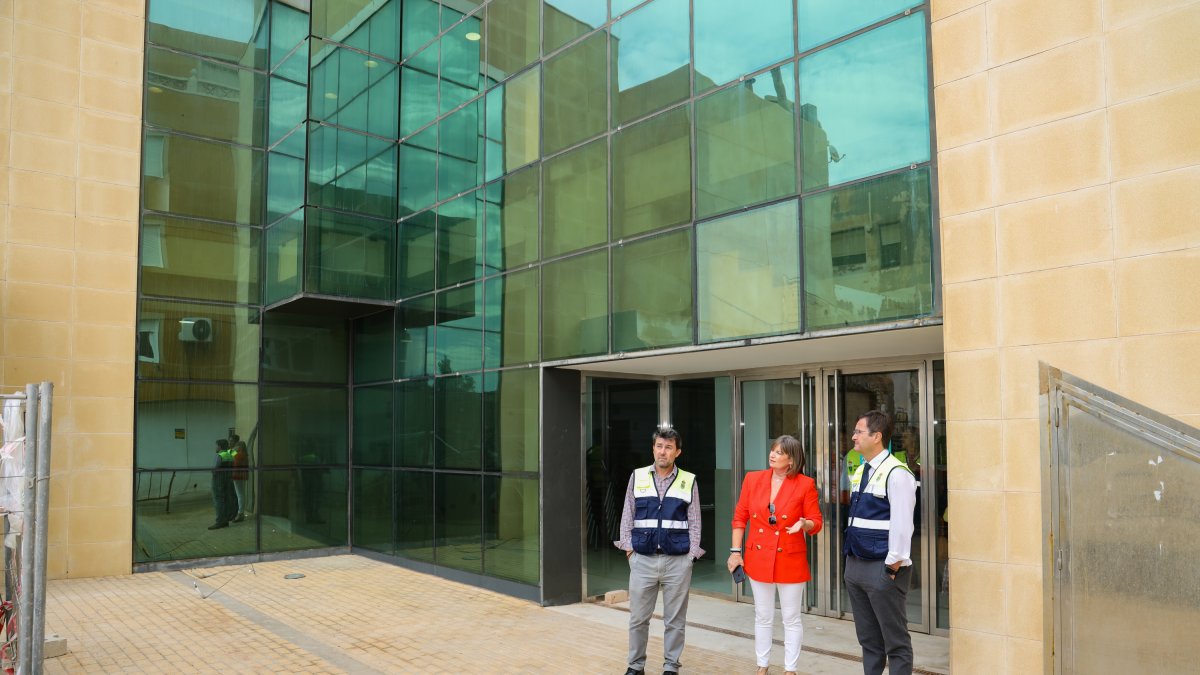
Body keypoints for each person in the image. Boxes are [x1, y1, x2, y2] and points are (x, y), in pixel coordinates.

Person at [727, 435, 822, 675]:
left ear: (791, 460)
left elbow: (817, 521)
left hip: (790, 558)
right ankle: (762, 665)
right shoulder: (753, 479)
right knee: (762, 616)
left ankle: (790, 669)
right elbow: (740, 517)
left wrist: (805, 523)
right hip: (758, 557)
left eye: (779, 452)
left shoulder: (805, 484)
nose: (772, 455)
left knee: (791, 618)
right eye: (773, 450)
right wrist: (735, 552)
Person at [614, 427, 704, 675]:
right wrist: (629, 551)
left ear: (677, 452)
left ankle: (671, 667)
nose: (663, 451)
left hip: (678, 561)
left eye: (668, 447)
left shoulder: (688, 480)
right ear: (653, 449)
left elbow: (695, 521)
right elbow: (627, 514)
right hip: (642, 559)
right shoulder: (638, 476)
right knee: (638, 618)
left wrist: (691, 557)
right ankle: (635, 666)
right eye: (659, 446)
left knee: (675, 621)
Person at [843, 410, 918, 675]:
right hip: (856, 564)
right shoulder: (861, 469)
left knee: (895, 642)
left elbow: (902, 524)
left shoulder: (897, 473)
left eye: (858, 432)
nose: (853, 437)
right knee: (869, 640)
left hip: (883, 567)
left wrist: (892, 566)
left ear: (876, 436)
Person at [208, 439, 235, 530]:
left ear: (219, 446)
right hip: (228, 479)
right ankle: (225, 521)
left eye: (216, 445)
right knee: (226, 500)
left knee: (218, 500)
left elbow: (214, 469)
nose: (215, 447)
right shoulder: (230, 454)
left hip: (218, 480)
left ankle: (219, 521)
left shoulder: (219, 455)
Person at [229, 437, 249, 523]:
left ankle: (240, 513)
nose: (230, 443)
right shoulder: (242, 454)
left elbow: (231, 454)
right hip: (240, 475)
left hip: (238, 475)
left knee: (240, 495)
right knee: (240, 494)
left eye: (231, 441)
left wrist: (232, 450)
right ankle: (240, 513)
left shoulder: (239, 454)